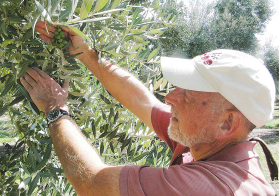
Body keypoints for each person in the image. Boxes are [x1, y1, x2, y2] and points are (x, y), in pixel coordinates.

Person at [20, 21, 277, 196]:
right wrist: (86, 53)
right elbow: (142, 100)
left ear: (227, 123)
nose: (169, 97)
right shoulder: (204, 137)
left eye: (187, 94)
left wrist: (56, 109)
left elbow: (93, 184)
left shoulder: (211, 187)